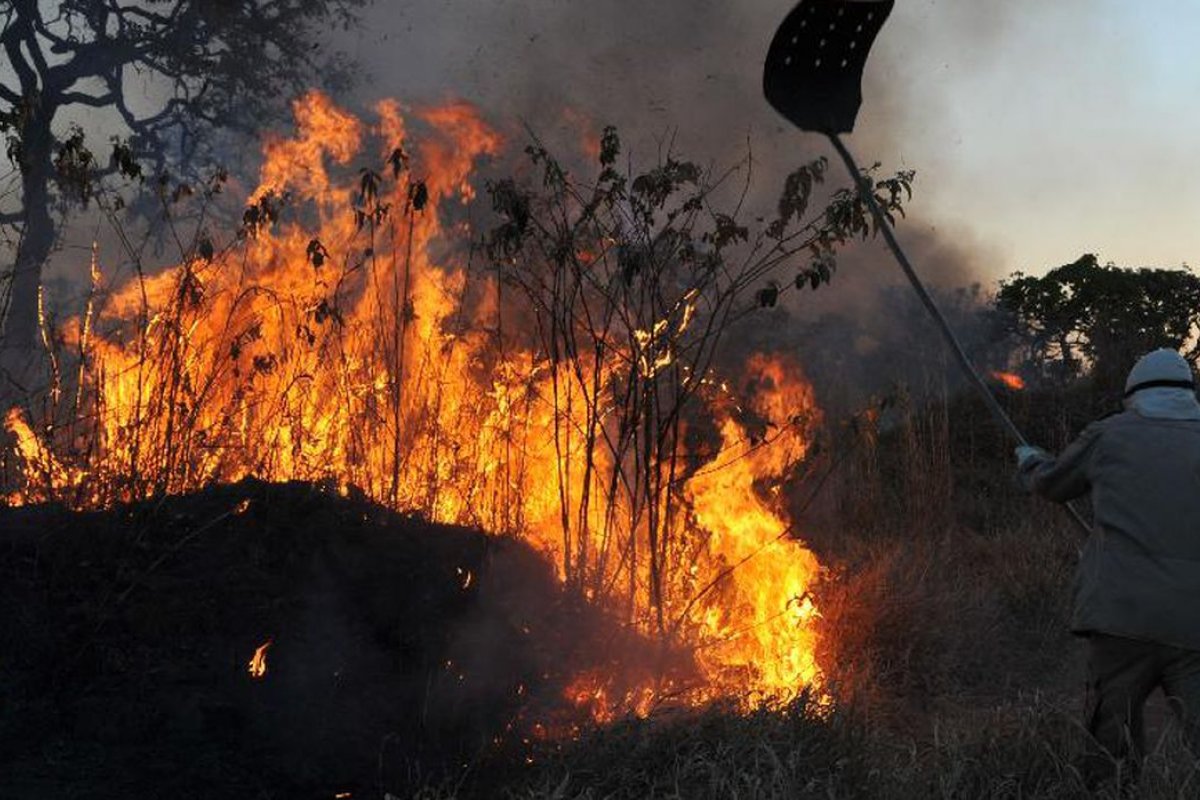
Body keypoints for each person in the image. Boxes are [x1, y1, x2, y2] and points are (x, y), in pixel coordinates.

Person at [1016, 348, 1200, 789]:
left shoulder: (1109, 435)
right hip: (1193, 623)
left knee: (1108, 751)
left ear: (1133, 394)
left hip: (1120, 616)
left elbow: (1051, 484)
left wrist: (1029, 460)